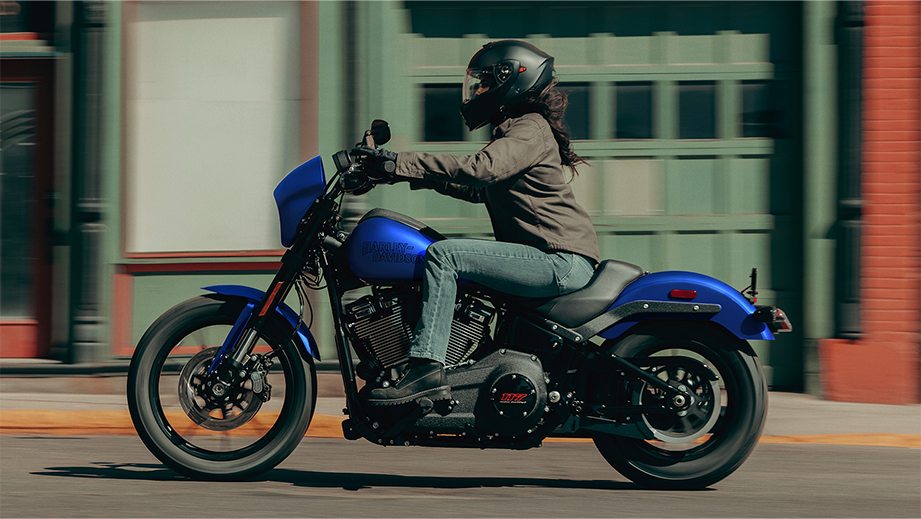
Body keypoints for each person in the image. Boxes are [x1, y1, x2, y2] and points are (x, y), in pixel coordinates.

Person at [351, 40, 600, 406]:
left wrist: (398, 160)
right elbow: (478, 189)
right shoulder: (516, 130)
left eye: (483, 83)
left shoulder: (529, 128)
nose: (477, 91)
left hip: (560, 259)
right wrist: (398, 174)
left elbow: (482, 170)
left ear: (510, 80)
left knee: (445, 256)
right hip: (549, 256)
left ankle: (426, 370)